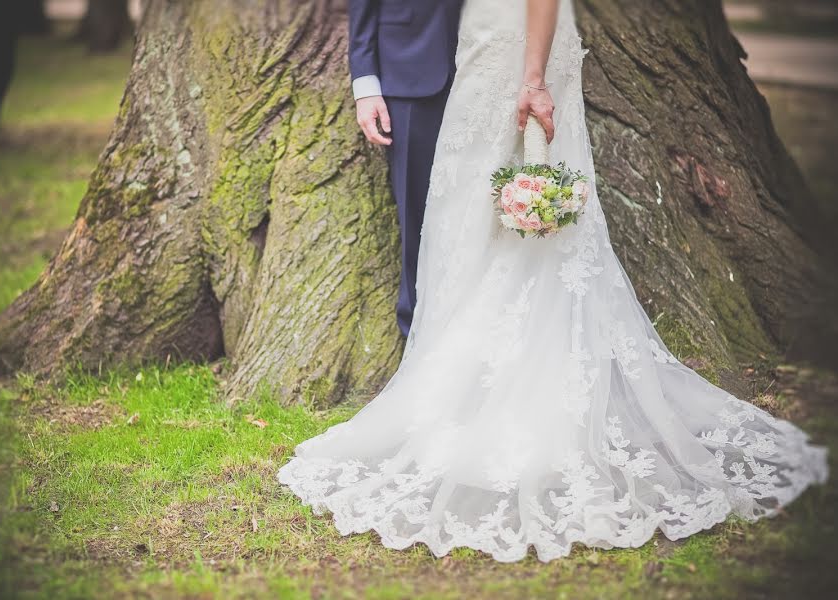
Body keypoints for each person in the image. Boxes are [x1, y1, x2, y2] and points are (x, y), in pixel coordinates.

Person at [279, 0, 828, 562]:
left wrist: (535, 77)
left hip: (522, 53)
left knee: (522, 224)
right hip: (481, 45)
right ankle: (460, 379)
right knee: (470, 221)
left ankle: (500, 398)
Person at [349, 0, 464, 337]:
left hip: (493, 66)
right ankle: (418, 337)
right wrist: (365, 85)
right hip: (410, 69)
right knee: (417, 218)